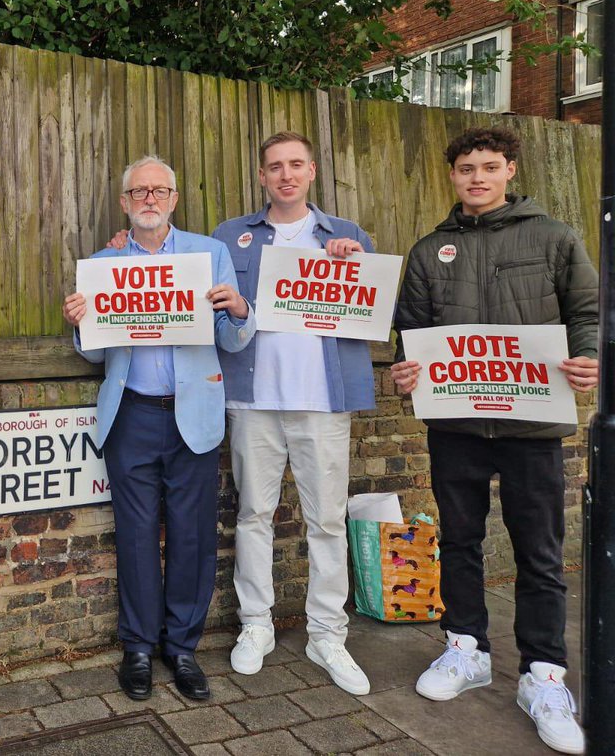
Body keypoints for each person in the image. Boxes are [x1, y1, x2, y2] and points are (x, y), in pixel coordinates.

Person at [392, 127, 596, 755]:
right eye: (464, 168)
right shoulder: (430, 250)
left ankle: (544, 674)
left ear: (510, 171)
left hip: (532, 426)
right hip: (456, 427)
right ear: (451, 175)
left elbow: (587, 312)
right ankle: (466, 648)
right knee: (460, 540)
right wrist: (407, 369)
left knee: (539, 550)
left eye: (488, 167)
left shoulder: (556, 237)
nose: (476, 178)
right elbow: (411, 329)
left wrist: (589, 358)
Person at [63, 155, 255, 702]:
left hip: (193, 412)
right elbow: (97, 354)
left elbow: (233, 340)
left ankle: (183, 648)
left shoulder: (209, 254)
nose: (149, 199)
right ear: (125, 203)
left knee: (193, 535)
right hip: (133, 414)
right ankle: (139, 649)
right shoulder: (104, 262)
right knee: (136, 534)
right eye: (139, 192)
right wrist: (81, 325)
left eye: (160, 191)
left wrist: (240, 309)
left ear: (173, 200)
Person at [211, 130, 375, 696]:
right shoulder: (230, 238)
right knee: (255, 513)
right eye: (275, 166)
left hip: (323, 401)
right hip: (253, 399)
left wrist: (356, 267)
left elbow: (376, 315)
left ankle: (327, 633)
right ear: (262, 176)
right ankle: (255, 624)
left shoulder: (349, 236)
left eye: (296, 165)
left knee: (326, 519)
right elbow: (192, 290)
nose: (286, 174)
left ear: (311, 172)